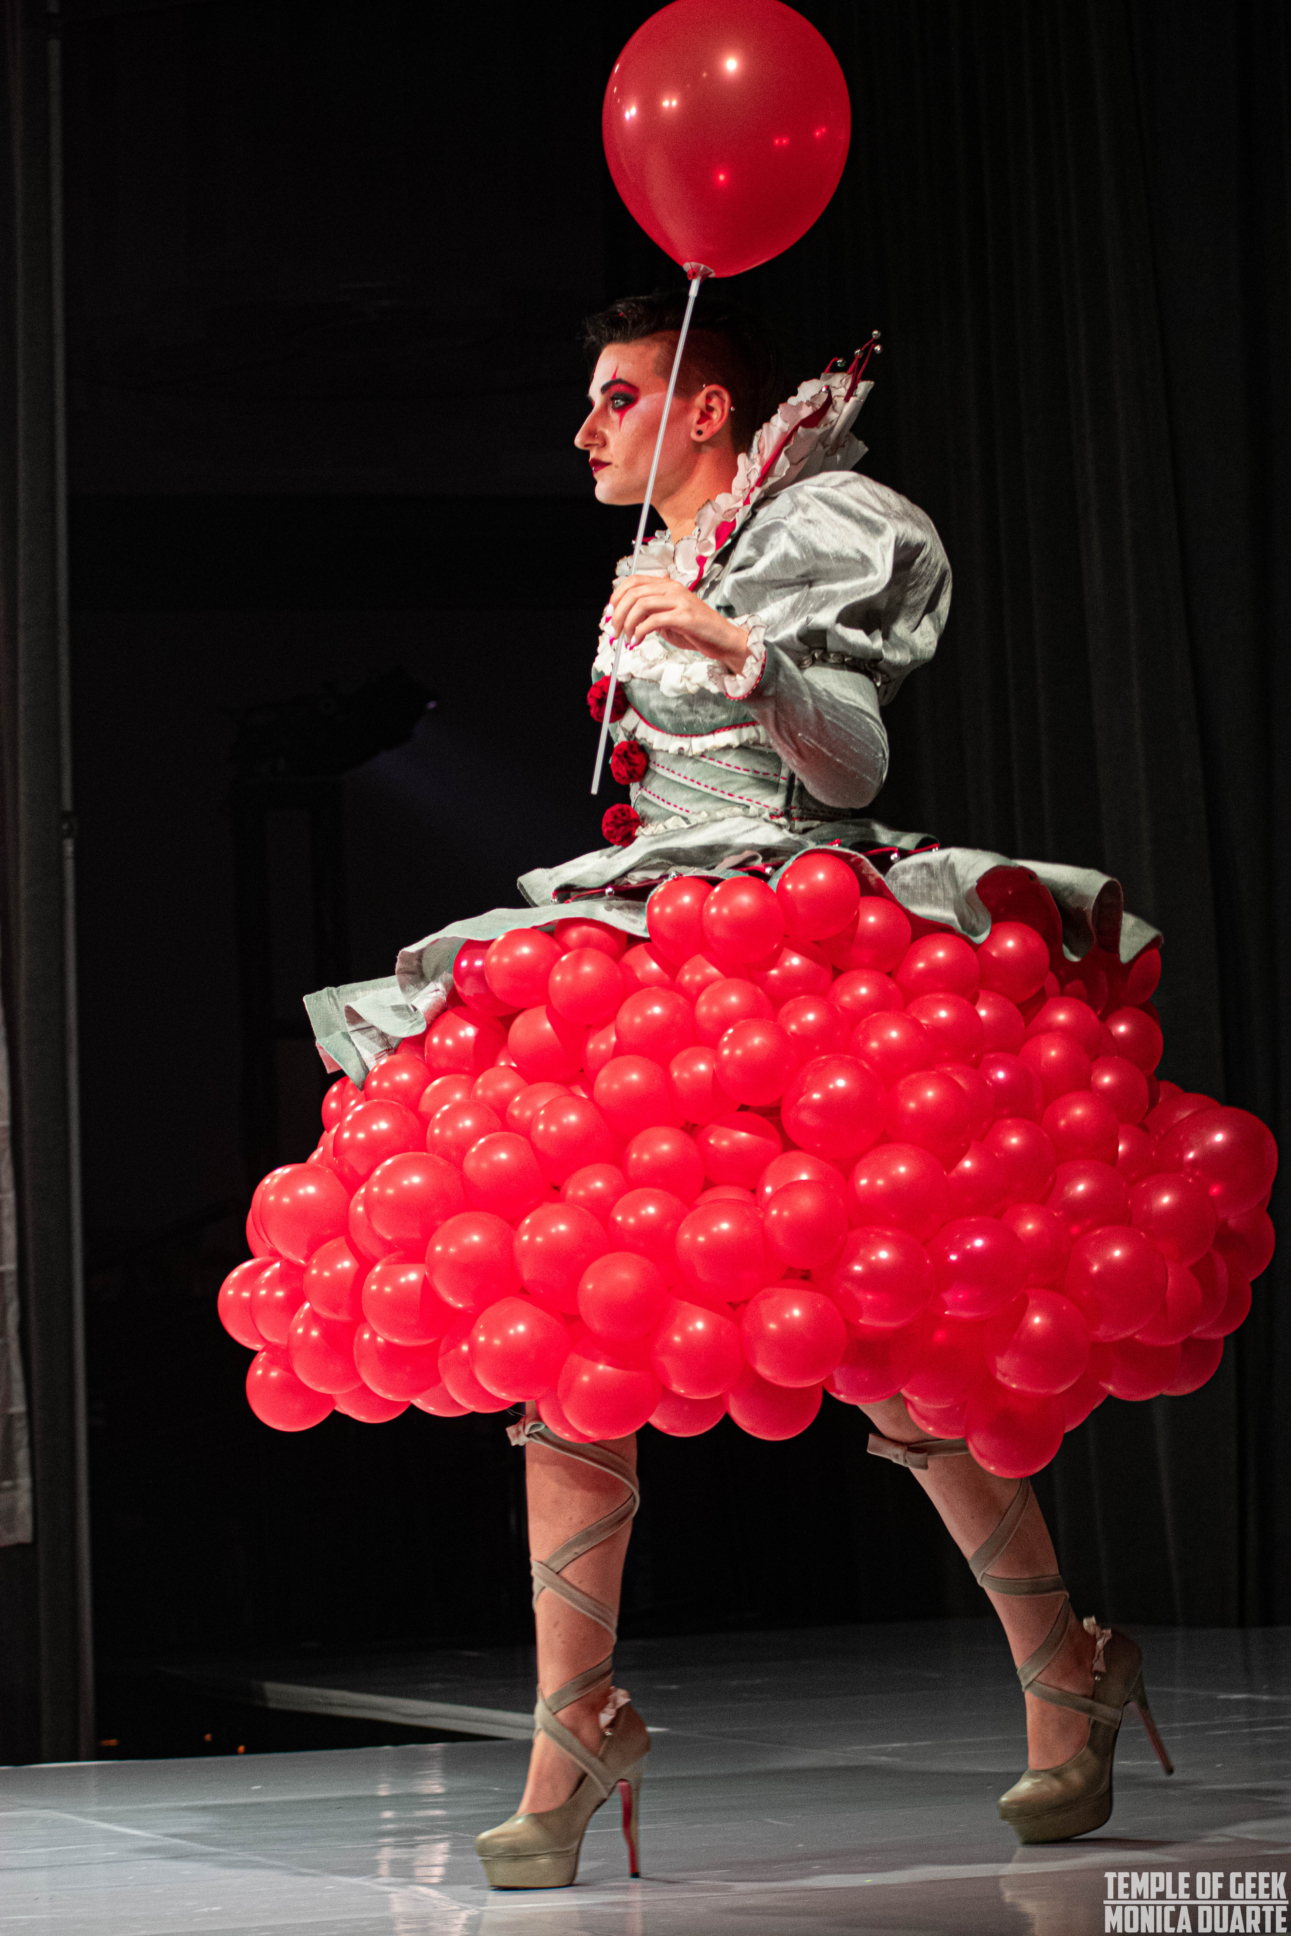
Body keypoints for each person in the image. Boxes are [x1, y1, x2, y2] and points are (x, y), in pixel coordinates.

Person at [303, 293, 1174, 1887]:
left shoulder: (809, 535)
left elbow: (851, 767)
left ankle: (1070, 1670)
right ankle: (575, 1729)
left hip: (793, 942)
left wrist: (739, 648)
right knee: (565, 1332)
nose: (587, 428)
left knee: (892, 1349)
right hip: (652, 944)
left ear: (706, 411)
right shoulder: (659, 560)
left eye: (618, 397)